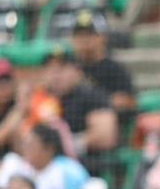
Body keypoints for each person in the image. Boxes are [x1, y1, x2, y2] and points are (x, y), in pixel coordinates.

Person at [37, 47, 120, 175]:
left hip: (83, 168)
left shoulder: (91, 95)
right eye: (50, 69)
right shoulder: (40, 99)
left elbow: (106, 136)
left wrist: (68, 144)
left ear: (78, 71)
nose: (56, 75)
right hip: (40, 167)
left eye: (62, 68)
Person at [0, 123, 93, 189]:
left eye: (31, 145)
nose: (26, 149)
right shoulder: (16, 166)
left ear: (49, 149)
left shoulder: (69, 170)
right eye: (25, 145)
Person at [70, 8, 136, 123]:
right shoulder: (71, 69)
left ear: (103, 37)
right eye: (79, 35)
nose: (84, 40)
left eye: (90, 34)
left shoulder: (114, 70)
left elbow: (129, 102)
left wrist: (101, 99)